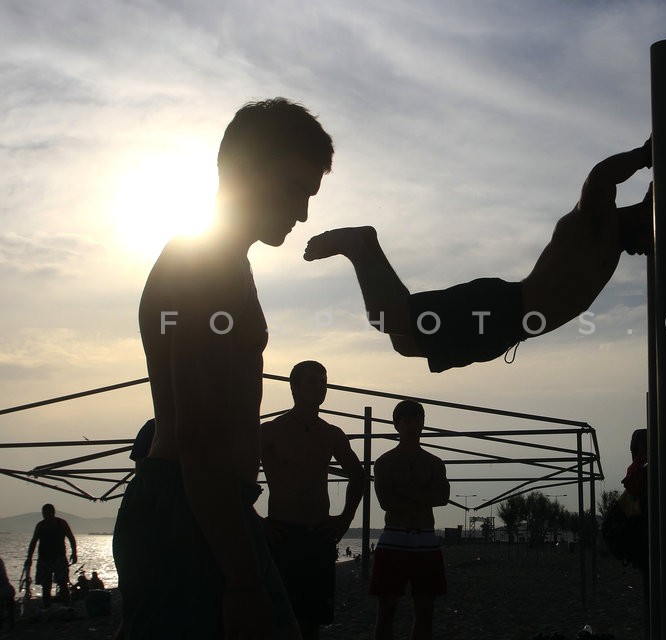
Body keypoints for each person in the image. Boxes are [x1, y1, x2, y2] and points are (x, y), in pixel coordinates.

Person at [113, 97, 334, 640]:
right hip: (187, 508)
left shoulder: (225, 262)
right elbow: (199, 433)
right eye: (295, 190)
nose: (303, 213)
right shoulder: (205, 264)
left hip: (206, 508)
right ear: (248, 171)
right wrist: (241, 578)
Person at [303, 142, 653, 372]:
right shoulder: (598, 222)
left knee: (405, 343)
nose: (647, 249)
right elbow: (601, 176)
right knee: (384, 317)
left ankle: (368, 243)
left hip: (503, 330)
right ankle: (355, 247)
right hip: (498, 309)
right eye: (652, 238)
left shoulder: (612, 242)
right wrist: (644, 155)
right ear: (645, 213)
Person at [260, 360, 365, 639]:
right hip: (282, 533)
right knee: (279, 619)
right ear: (294, 387)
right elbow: (234, 475)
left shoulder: (331, 434)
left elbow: (358, 475)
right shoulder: (271, 431)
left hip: (318, 534)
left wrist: (345, 519)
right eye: (313, 382)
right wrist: (257, 522)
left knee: (312, 622)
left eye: (323, 382)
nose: (320, 388)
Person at [369, 400, 450, 640]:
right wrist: (424, 495)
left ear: (423, 424)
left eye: (416, 421)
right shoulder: (384, 462)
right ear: (397, 425)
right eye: (407, 421)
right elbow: (386, 501)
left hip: (425, 538)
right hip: (394, 536)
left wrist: (404, 491)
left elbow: (443, 497)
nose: (412, 426)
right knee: (386, 608)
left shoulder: (434, 463)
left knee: (425, 609)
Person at [25, 504, 77, 608]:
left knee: (63, 583)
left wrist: (74, 553)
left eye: (47, 513)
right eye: (44, 514)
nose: (45, 516)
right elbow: (34, 542)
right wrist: (29, 558)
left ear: (52, 513)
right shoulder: (40, 525)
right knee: (46, 585)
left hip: (59, 557)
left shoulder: (61, 523)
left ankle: (66, 606)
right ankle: (47, 607)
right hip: (44, 559)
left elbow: (71, 538)